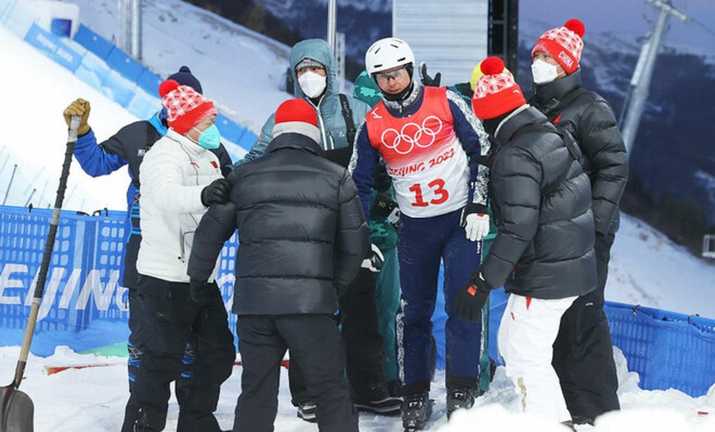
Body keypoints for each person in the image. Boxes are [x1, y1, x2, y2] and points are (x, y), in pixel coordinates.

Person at [61, 65, 233, 431]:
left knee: (197, 347)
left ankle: (192, 410)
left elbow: (228, 188)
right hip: (147, 251)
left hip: (194, 255)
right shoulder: (142, 134)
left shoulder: (208, 143)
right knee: (147, 342)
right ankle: (144, 412)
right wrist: (83, 134)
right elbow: (96, 164)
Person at [241, 38, 401, 418]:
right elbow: (254, 158)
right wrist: (228, 180)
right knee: (308, 310)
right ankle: (308, 394)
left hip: (350, 220)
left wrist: (390, 205)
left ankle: (369, 387)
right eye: (301, 70)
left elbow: (387, 156)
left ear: (329, 69)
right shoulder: (283, 117)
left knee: (360, 303)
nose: (309, 76)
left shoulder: (355, 109)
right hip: (307, 226)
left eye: (315, 68)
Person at [187, 98, 367, 432]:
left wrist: (198, 281)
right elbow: (356, 247)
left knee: (256, 392)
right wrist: (331, 290)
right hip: (311, 306)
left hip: (256, 306)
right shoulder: (337, 177)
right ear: (314, 134)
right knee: (330, 391)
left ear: (275, 134)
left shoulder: (244, 176)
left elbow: (208, 235)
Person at [351, 37, 491, 430]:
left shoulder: (444, 100)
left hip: (460, 222)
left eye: (396, 73)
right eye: (382, 78)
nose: (391, 82)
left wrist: (479, 204)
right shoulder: (374, 123)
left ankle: (462, 387)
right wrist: (359, 234)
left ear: (410, 69)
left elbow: (481, 146)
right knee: (414, 313)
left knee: (463, 304)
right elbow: (357, 183)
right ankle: (415, 391)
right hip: (415, 227)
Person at [455, 56, 597, 425]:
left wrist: (483, 282)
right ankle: (554, 420)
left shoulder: (516, 153)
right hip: (567, 262)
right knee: (519, 345)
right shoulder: (542, 130)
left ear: (488, 114)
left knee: (522, 354)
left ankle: (549, 423)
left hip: (547, 270)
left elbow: (519, 228)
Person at [529, 18, 629, 424]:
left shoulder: (589, 107)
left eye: (547, 57)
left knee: (584, 317)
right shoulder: (537, 107)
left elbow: (614, 166)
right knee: (555, 319)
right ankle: (564, 405)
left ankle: (599, 411)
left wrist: (597, 224)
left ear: (567, 63)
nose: (539, 63)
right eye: (536, 55)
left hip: (587, 234)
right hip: (552, 234)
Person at [123, 78, 235, 431]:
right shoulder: (163, 155)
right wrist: (204, 195)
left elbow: (221, 198)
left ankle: (197, 420)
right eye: (206, 123)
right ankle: (144, 423)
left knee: (217, 354)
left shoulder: (209, 156)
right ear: (188, 124)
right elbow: (166, 197)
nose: (212, 129)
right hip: (163, 278)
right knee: (159, 362)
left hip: (200, 275)